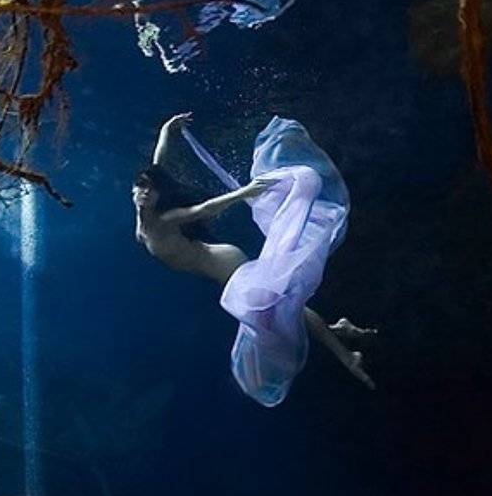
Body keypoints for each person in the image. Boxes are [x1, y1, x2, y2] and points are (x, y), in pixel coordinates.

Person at [133, 112, 375, 403]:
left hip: (227, 266)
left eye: (151, 191)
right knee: (284, 306)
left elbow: (204, 210)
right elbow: (157, 168)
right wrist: (166, 131)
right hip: (220, 272)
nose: (145, 194)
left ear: (159, 197)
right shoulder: (143, 215)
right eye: (141, 187)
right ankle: (339, 333)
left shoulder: (164, 220)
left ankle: (346, 353)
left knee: (276, 312)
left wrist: (244, 193)